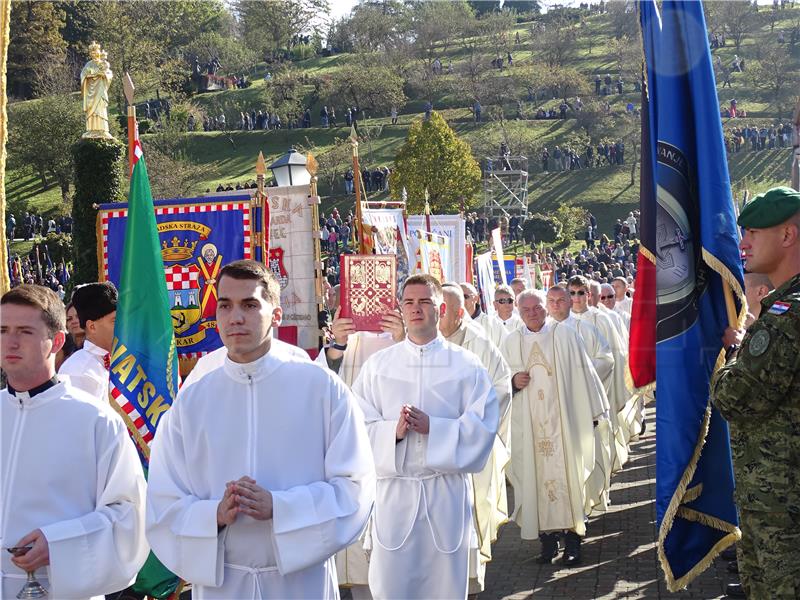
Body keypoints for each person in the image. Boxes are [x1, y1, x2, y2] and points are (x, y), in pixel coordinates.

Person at [146, 260, 375, 598]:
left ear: (276, 314)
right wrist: (213, 515)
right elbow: (163, 501)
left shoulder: (320, 388)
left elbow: (356, 488)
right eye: (225, 305)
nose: (235, 317)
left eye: (250, 305)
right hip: (224, 583)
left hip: (299, 583)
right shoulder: (193, 401)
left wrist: (281, 508)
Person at [353, 274, 498, 599]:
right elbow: (357, 428)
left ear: (441, 309)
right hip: (396, 495)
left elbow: (484, 427)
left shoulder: (466, 365)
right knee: (392, 587)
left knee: (443, 586)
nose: (416, 309)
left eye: (425, 302)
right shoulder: (377, 366)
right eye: (409, 302)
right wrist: (395, 432)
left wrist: (436, 428)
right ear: (401, 308)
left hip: (443, 492)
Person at [1, 285, 148, 599]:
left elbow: (129, 518)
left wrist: (59, 544)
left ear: (56, 341)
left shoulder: (96, 420)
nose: (10, 342)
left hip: (60, 589)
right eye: (2, 330)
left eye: (25, 331)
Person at [710, 187, 800, 600]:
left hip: (782, 507)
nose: (743, 243)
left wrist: (734, 352)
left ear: (787, 236)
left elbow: (733, 398)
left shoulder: (784, 318)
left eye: (753, 232)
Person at [500, 290, 601, 565]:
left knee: (569, 478)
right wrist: (512, 381)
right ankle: (547, 544)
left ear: (546, 308)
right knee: (533, 480)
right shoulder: (511, 342)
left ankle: (572, 541)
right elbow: (496, 382)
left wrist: (590, 412)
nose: (532, 313)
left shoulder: (564, 335)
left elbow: (584, 373)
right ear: (519, 313)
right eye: (526, 309)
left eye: (536, 307)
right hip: (529, 427)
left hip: (564, 424)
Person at [315, 305, 405, 599]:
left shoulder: (404, 332)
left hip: (398, 455)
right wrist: (336, 345)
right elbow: (323, 382)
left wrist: (404, 339)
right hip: (354, 448)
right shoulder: (348, 333)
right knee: (360, 564)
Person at [439, 283, 512, 595]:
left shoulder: (477, 344)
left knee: (468, 517)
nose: (436, 313)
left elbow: (501, 388)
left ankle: (466, 580)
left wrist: (467, 425)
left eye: (444, 309)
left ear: (460, 312)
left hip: (467, 447)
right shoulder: (415, 344)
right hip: (429, 451)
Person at [546, 285, 615, 514]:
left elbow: (606, 360)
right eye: (551, 300)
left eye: (561, 300)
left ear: (569, 302)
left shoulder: (586, 329)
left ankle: (583, 507)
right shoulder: (538, 333)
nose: (556, 305)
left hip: (580, 404)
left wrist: (580, 375)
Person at [58, 282, 117, 401]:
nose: (122, 326)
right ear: (92, 327)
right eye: (114, 321)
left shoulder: (114, 359)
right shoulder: (78, 370)